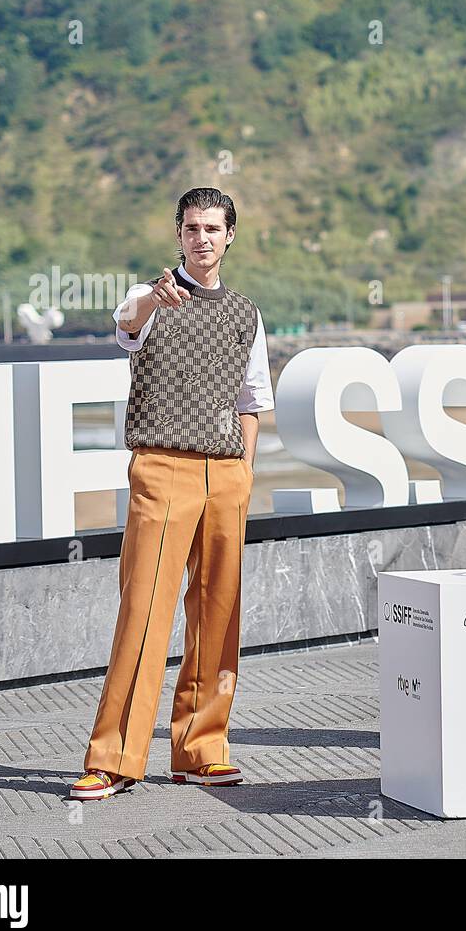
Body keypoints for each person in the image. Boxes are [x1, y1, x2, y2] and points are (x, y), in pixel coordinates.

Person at [70, 188, 274, 800]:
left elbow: (252, 401)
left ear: (230, 235)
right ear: (178, 234)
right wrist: (151, 301)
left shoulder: (246, 313)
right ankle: (113, 758)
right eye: (191, 228)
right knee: (144, 611)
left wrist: (244, 475)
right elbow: (126, 325)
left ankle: (202, 747)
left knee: (218, 613)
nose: (202, 238)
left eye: (213, 228)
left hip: (226, 473)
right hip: (161, 469)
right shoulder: (150, 297)